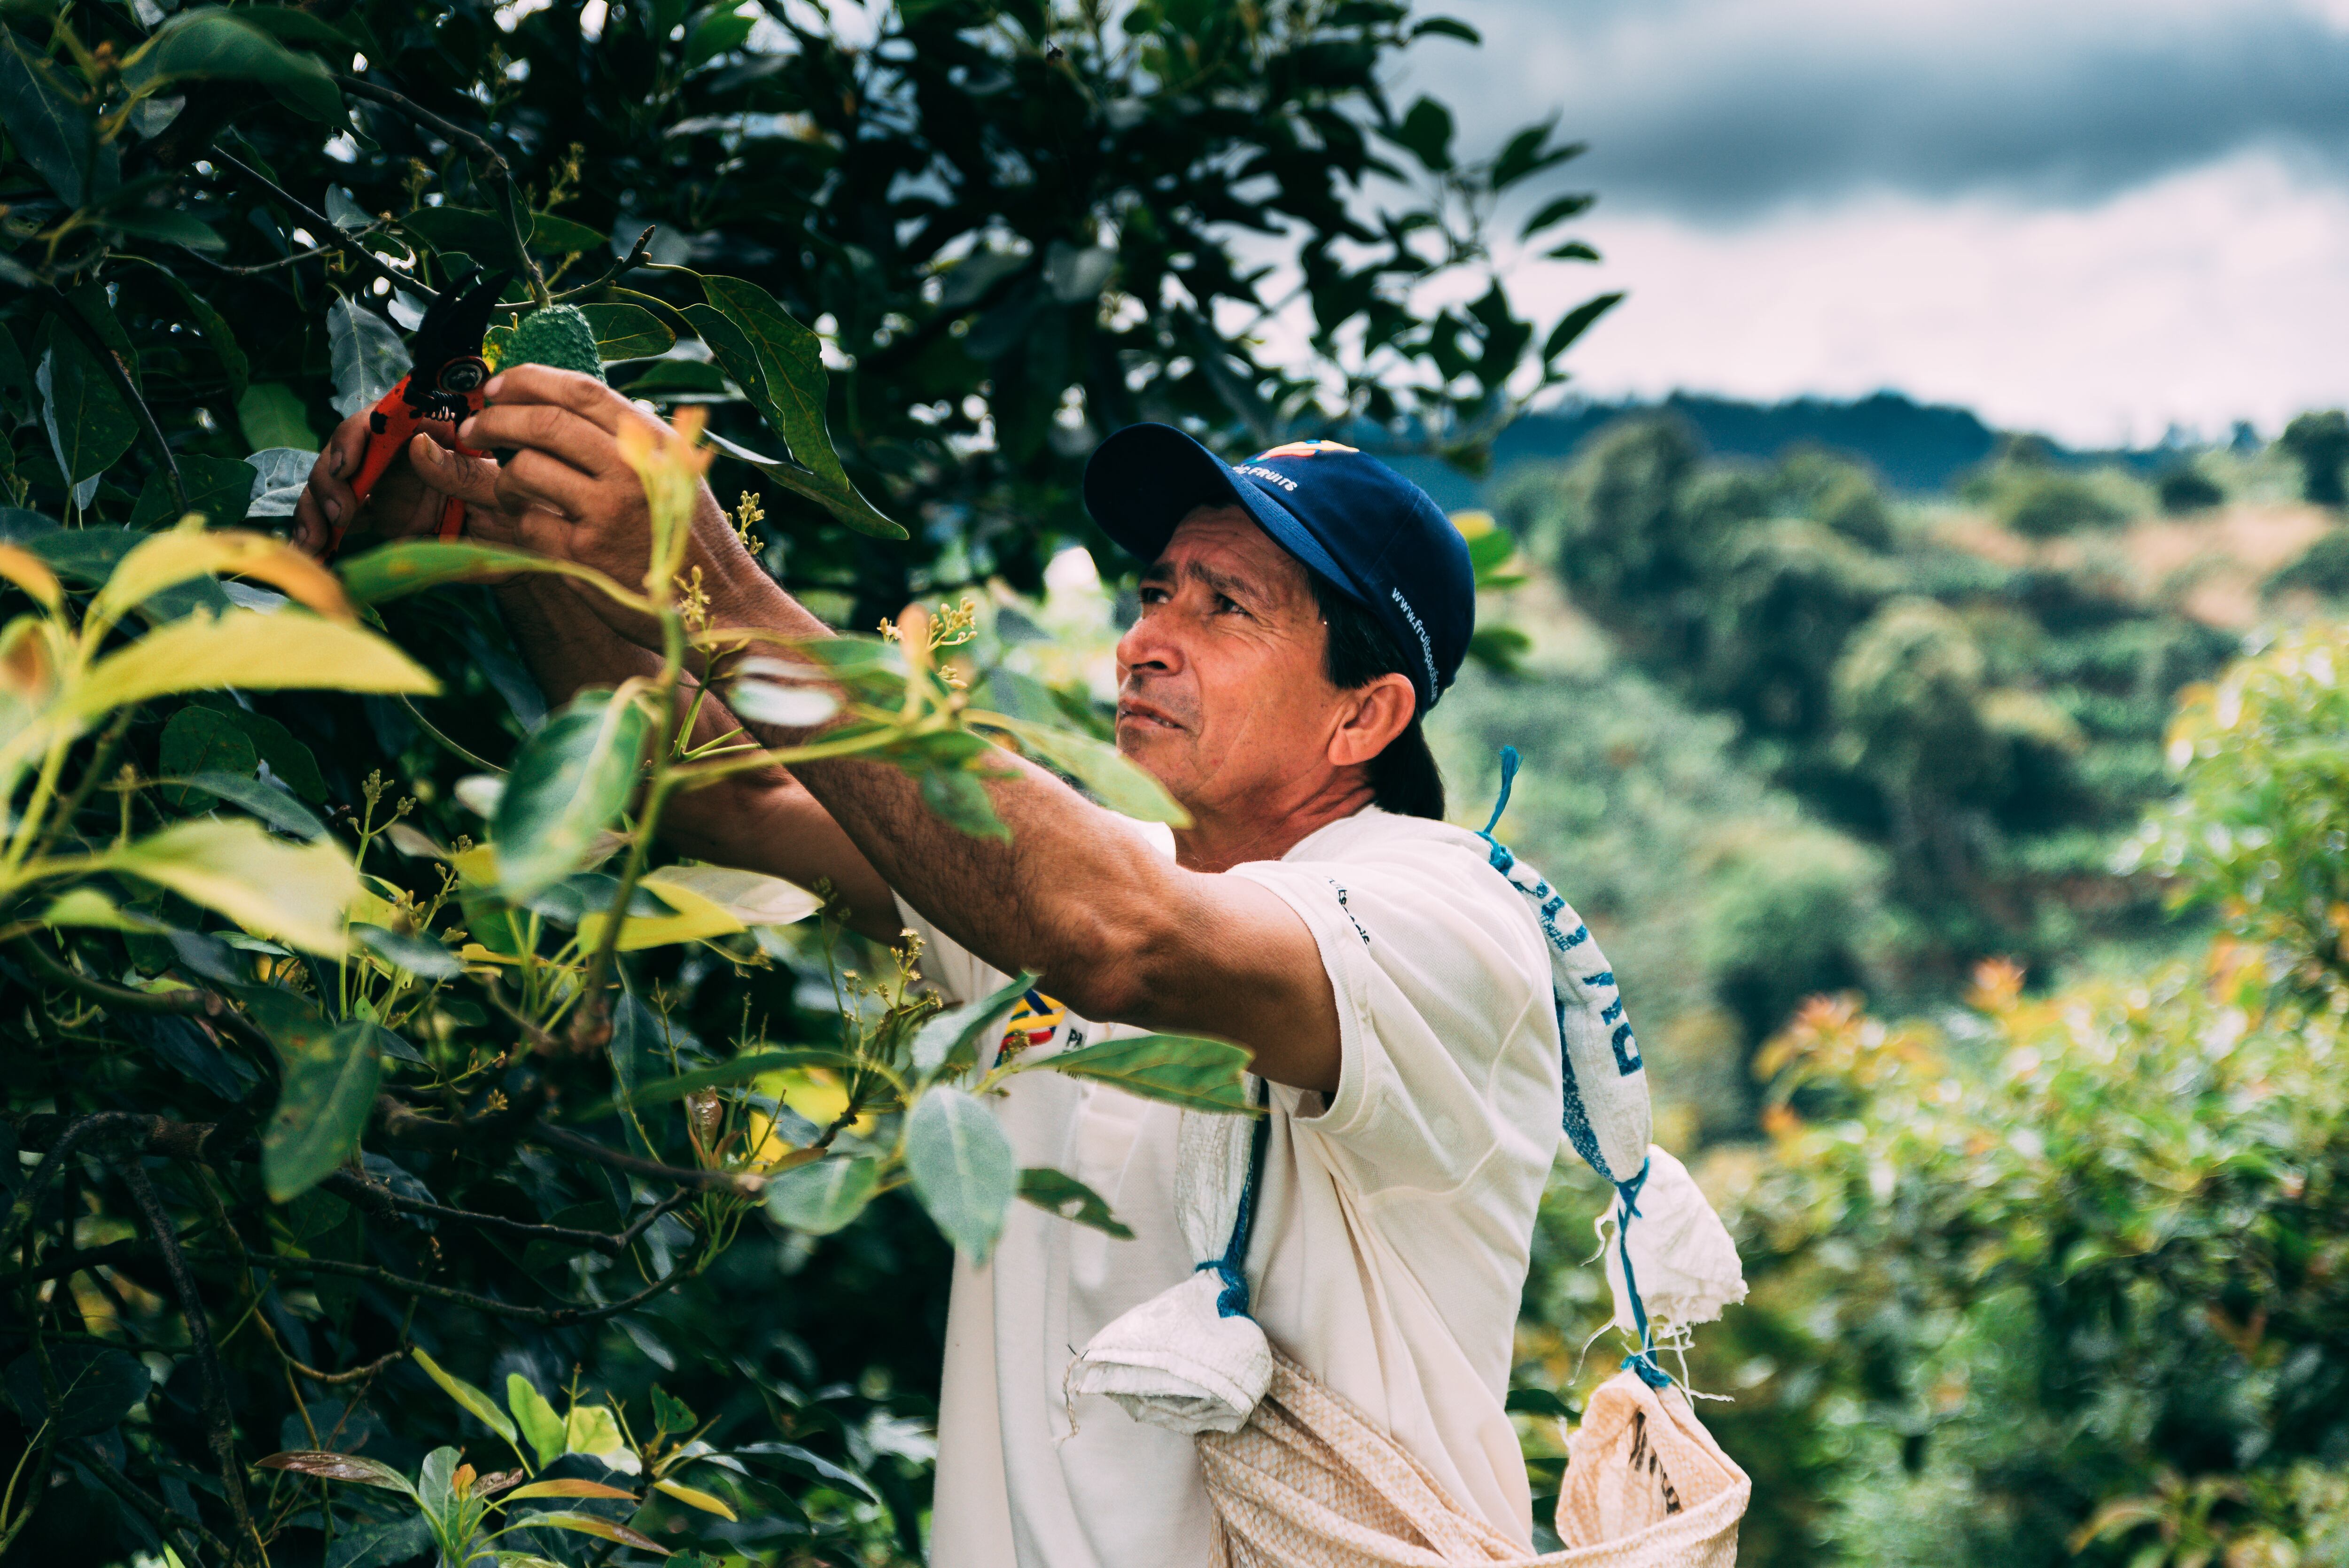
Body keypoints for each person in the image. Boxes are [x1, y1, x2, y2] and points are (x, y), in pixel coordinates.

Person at [296, 372, 1566, 1568]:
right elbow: (720, 789)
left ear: (1367, 716)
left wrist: (713, 575)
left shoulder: (1441, 920)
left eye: (1225, 606)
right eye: (1152, 592)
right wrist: (509, 524)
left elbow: (1122, 939)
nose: (1145, 642)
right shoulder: (1053, 883)